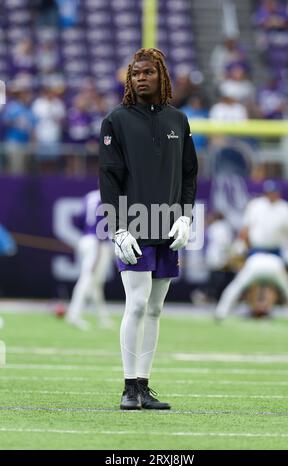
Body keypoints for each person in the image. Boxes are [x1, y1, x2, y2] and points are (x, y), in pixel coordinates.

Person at [99, 48, 198, 410]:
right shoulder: (116, 120)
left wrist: (186, 217)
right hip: (134, 223)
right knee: (137, 303)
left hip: (168, 226)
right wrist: (118, 228)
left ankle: (143, 386)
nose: (141, 78)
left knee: (155, 309)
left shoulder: (178, 120)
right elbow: (108, 178)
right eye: (136, 73)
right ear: (130, 78)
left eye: (148, 73)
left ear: (162, 77)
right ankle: (127, 387)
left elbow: (190, 174)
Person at [66, 190, 114, 330]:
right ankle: (74, 314)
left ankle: (103, 317)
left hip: (86, 239)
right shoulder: (107, 197)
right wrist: (98, 250)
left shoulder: (89, 196)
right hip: (98, 244)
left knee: (96, 282)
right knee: (88, 279)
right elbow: (102, 224)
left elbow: (79, 219)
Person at [215, 252, 288, 320]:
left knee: (235, 287)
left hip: (256, 265)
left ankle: (220, 313)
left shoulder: (251, 258)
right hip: (275, 264)